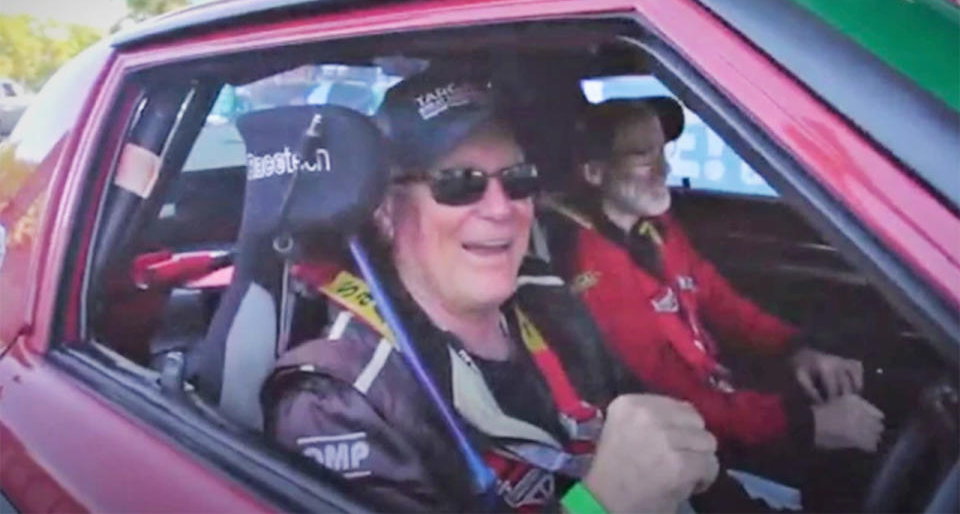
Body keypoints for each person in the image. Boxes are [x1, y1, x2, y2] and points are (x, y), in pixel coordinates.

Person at [260, 73, 719, 512]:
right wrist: (598, 506)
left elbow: (651, 427)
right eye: (458, 183)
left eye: (518, 178)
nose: (501, 209)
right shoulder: (339, 399)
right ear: (384, 209)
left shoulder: (544, 297)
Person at [546, 97, 885, 506]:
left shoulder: (655, 229)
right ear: (595, 172)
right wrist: (804, 423)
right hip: (698, 440)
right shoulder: (595, 274)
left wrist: (795, 349)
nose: (665, 170)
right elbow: (673, 396)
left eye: (662, 152)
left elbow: (720, 299)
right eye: (642, 156)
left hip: (726, 403)